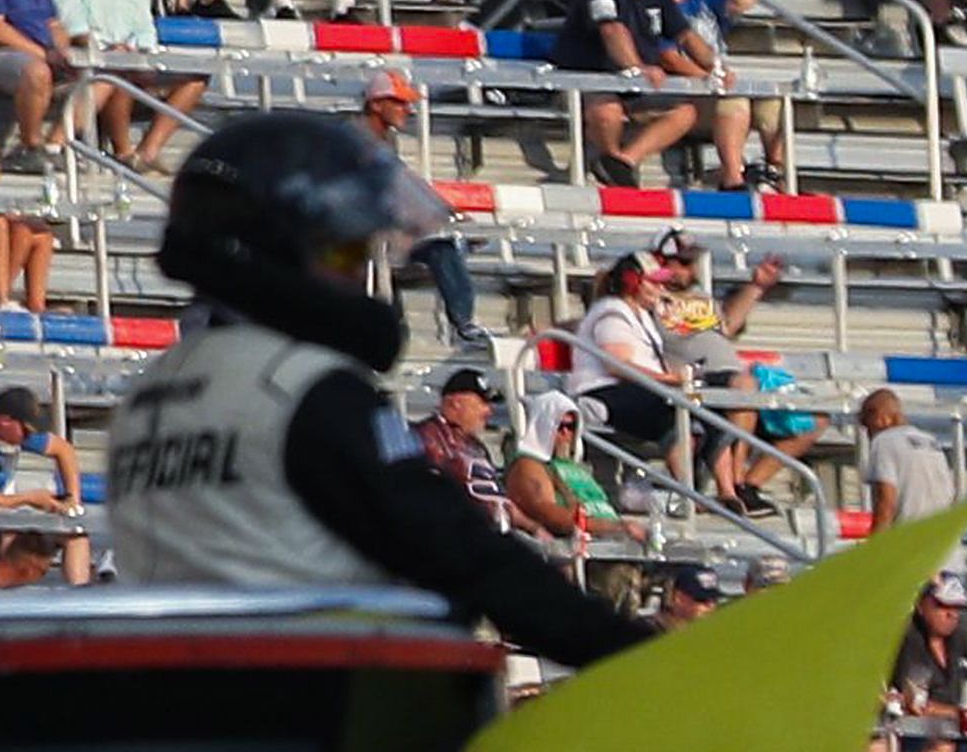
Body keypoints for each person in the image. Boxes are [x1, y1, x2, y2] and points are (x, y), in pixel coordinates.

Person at [100, 114, 648, 665]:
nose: (356, 273)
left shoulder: (151, 392)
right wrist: (632, 653)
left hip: (191, 700)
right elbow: (462, 552)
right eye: (344, 252)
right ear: (277, 249)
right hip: (315, 701)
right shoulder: (297, 388)